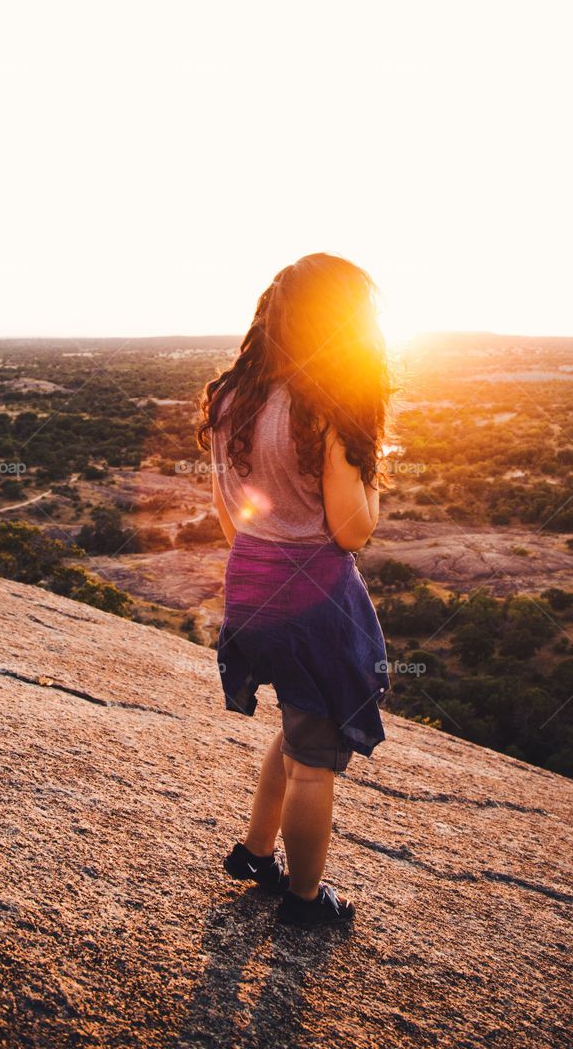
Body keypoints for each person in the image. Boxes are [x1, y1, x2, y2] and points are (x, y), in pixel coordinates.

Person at [196, 252, 394, 930]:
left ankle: (255, 853)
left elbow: (231, 515)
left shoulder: (231, 399)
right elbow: (349, 530)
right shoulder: (327, 407)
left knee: (296, 726)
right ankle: (306, 900)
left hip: (250, 587)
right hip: (315, 602)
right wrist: (371, 476)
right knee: (316, 761)